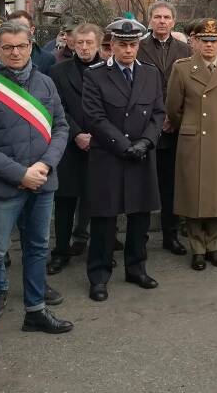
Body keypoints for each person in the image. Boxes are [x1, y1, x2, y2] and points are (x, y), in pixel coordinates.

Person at [0, 22, 72, 358]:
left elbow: (61, 127)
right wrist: (21, 174)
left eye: (21, 46)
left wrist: (45, 165)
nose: (15, 53)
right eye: (8, 47)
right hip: (3, 186)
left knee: (38, 248)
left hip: (43, 181)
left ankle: (36, 311)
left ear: (31, 46)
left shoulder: (45, 82)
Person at [82, 18, 165, 301]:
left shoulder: (151, 74)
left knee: (139, 217)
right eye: (122, 45)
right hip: (109, 155)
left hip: (141, 155)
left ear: (139, 45)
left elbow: (158, 113)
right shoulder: (95, 75)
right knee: (104, 220)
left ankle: (136, 267)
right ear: (112, 45)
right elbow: (94, 117)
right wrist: (124, 145)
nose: (128, 50)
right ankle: (99, 275)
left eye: (133, 45)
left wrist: (146, 142)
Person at [165, 18, 217, 270]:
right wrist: (189, 125)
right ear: (195, 42)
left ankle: (214, 245)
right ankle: (197, 248)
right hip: (194, 136)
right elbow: (173, 108)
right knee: (193, 193)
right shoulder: (183, 68)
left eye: (214, 41)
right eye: (204, 41)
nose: (209, 45)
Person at [136, 1, 190, 255]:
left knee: (171, 186)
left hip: (175, 126)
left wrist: (172, 117)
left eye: (167, 17)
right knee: (145, 186)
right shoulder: (138, 47)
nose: (162, 21)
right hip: (146, 127)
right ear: (150, 21)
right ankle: (141, 238)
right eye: (157, 16)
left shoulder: (185, 49)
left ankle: (171, 235)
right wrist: (156, 119)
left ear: (173, 21)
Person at [47, 23, 102, 274]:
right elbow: (57, 108)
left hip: (102, 146)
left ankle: (100, 248)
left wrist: (97, 135)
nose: (84, 47)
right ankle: (61, 250)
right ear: (72, 43)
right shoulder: (59, 71)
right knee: (65, 202)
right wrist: (77, 133)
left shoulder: (110, 70)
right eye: (79, 42)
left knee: (100, 201)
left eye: (89, 42)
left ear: (99, 43)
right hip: (69, 146)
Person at [5, 10, 56, 74]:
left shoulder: (47, 59)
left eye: (22, 28)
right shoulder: (0, 56)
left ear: (32, 30)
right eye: (11, 28)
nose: (16, 32)